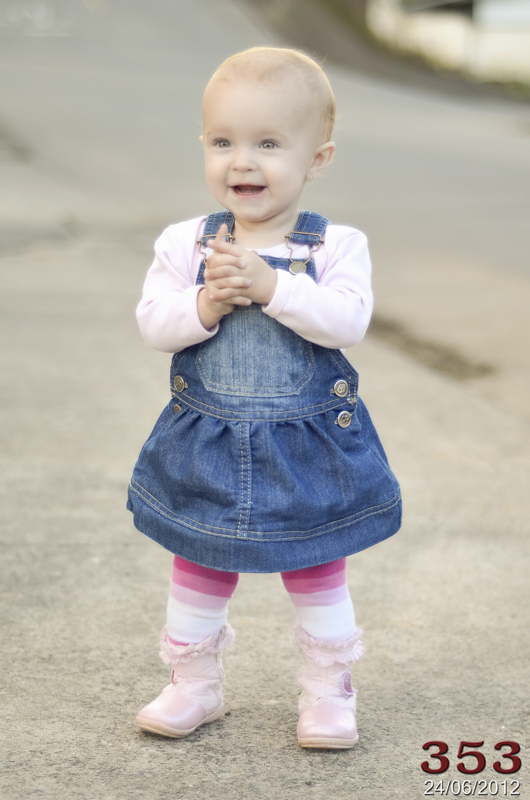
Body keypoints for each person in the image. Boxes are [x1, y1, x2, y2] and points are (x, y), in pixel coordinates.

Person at [127, 46, 401, 749]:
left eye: (268, 144)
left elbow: (347, 321)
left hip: (306, 444)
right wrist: (204, 304)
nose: (241, 162)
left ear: (317, 159)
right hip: (208, 440)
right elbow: (154, 324)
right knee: (199, 557)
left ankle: (328, 691)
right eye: (223, 142)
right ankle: (193, 684)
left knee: (315, 563)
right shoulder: (186, 244)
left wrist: (274, 286)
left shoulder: (335, 246)